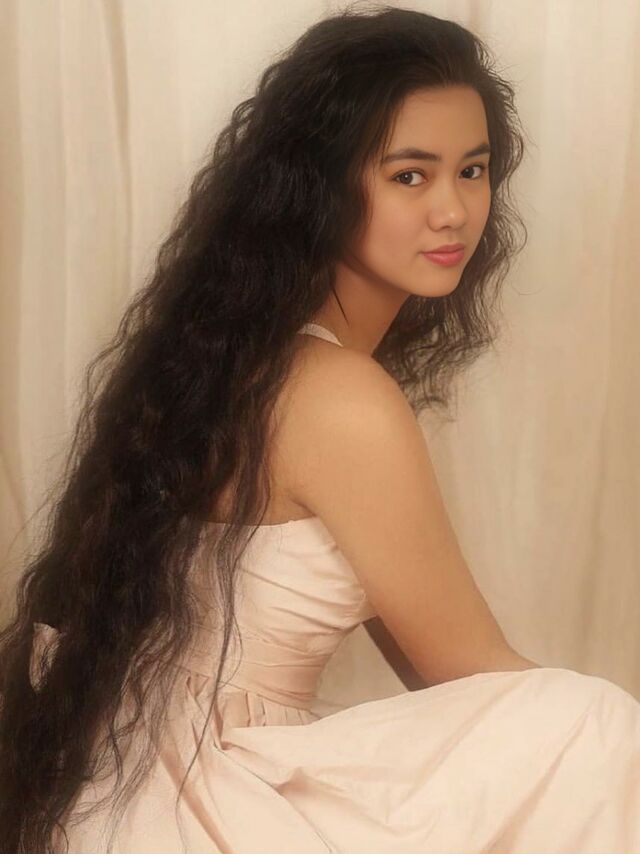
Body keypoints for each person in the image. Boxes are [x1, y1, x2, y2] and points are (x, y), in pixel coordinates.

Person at [1, 5, 640, 852]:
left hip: (119, 777)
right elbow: (474, 675)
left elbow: (444, 676)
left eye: (473, 169)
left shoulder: (241, 360)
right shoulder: (339, 398)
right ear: (320, 187)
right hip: (196, 801)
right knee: (595, 724)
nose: (454, 210)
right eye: (409, 176)